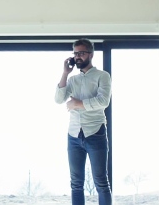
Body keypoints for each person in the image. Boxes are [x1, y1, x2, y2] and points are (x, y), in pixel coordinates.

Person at [56, 38, 112, 205]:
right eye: (75, 53)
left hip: (96, 132)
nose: (78, 56)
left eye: (81, 53)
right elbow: (59, 99)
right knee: (76, 184)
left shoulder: (102, 76)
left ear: (91, 54)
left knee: (101, 182)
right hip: (73, 135)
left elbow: (103, 101)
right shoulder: (72, 80)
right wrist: (65, 73)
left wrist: (77, 104)